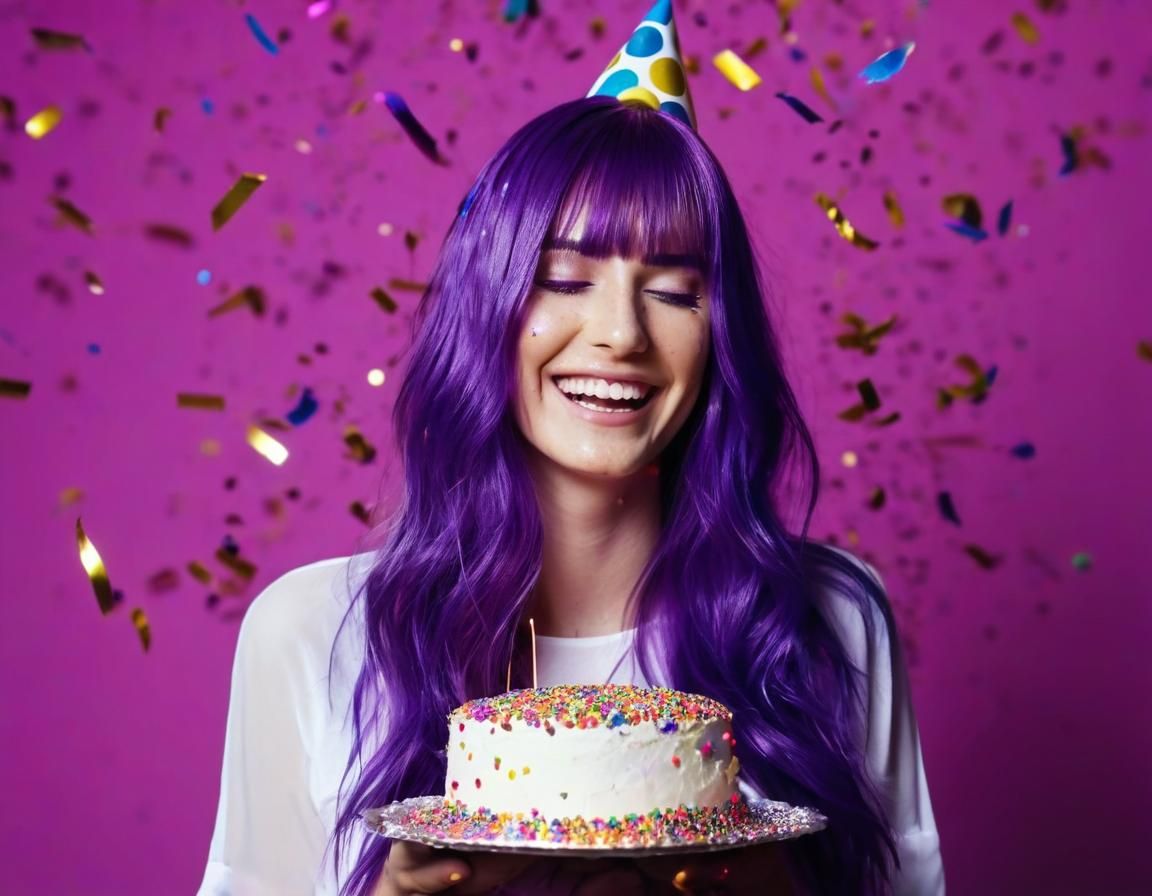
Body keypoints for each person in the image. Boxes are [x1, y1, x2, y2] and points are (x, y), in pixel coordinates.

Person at [198, 3, 945, 894]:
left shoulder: (831, 621)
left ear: (721, 336)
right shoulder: (311, 634)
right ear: (489, 307)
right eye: (563, 278)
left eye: (674, 292)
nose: (621, 333)